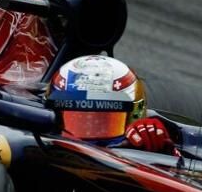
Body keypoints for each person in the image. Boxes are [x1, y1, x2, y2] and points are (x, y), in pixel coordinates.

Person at [47, 55, 177, 154]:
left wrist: (164, 152)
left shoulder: (147, 138)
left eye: (103, 121)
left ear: (135, 114)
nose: (90, 131)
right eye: (78, 120)